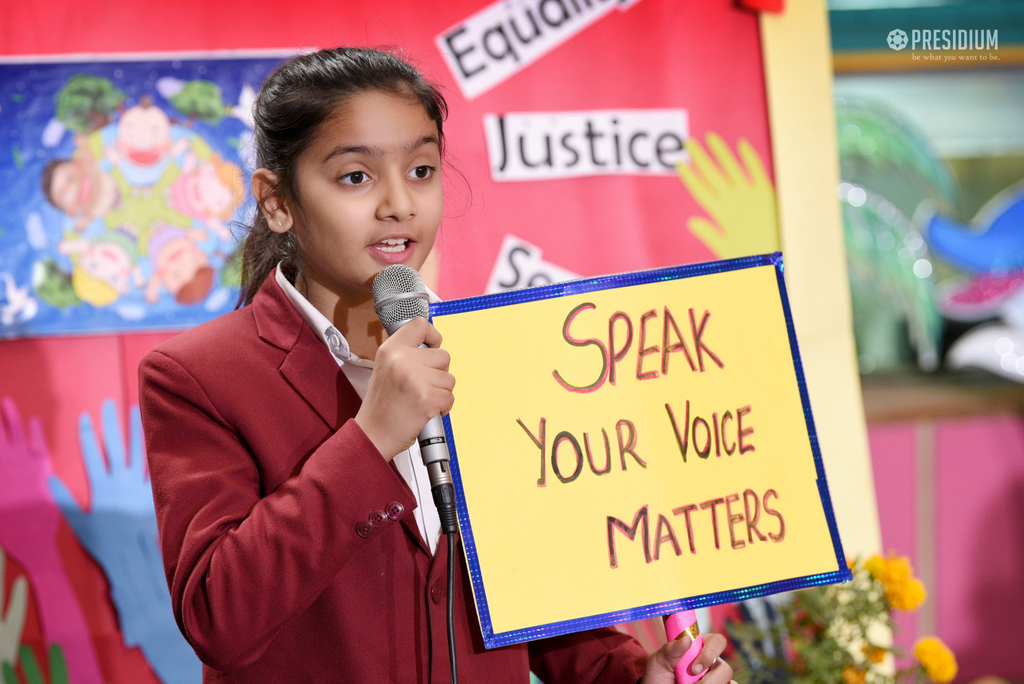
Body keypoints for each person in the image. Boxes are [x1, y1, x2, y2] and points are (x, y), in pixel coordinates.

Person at [139, 47, 736, 683]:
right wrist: (372, 440)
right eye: (356, 177)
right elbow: (216, 615)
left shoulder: (495, 350)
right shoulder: (197, 376)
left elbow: (531, 591)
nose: (400, 203)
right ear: (278, 200)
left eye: (421, 170)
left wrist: (629, 675)